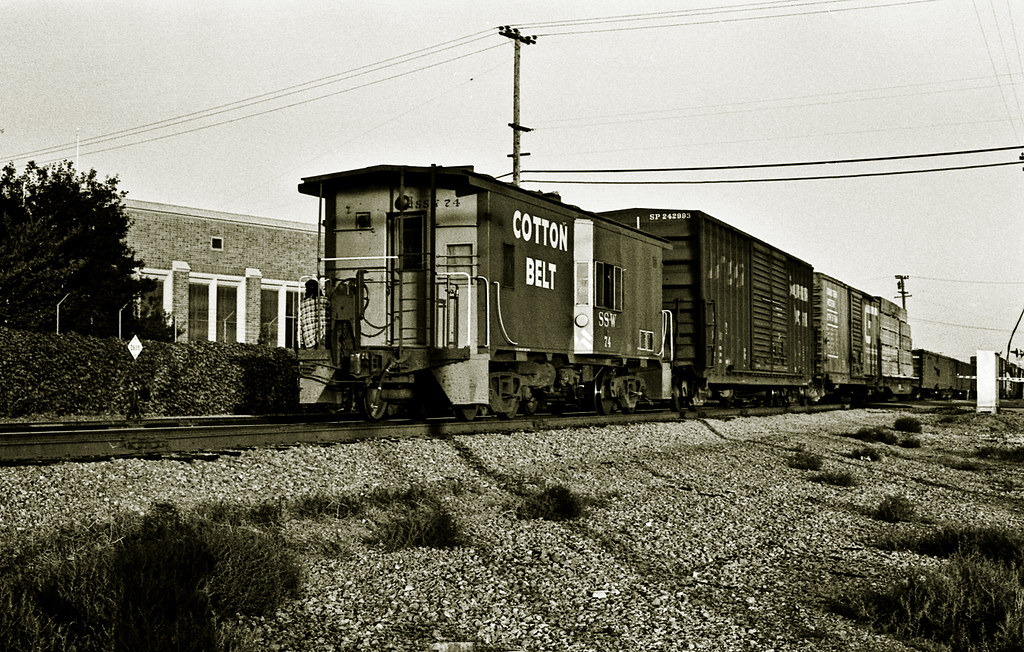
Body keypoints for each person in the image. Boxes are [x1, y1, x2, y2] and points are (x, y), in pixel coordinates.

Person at [299, 278, 327, 348]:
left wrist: (301, 342)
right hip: (324, 337)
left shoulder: (302, 304)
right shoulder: (325, 301)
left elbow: (300, 325)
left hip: (308, 340)